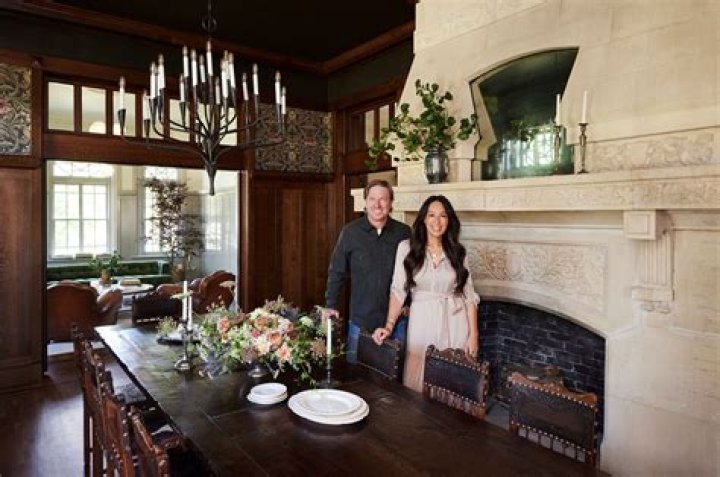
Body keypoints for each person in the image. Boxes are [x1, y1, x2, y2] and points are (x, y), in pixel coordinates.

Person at [372, 195, 479, 392]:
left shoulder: (458, 252)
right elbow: (398, 290)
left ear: (449, 220)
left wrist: (474, 335)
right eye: (431, 215)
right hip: (422, 322)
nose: (437, 221)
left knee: (453, 383)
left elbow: (469, 296)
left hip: (456, 322)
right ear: (423, 219)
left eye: (443, 216)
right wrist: (389, 326)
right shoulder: (406, 248)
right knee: (418, 378)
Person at [324, 179, 411, 363]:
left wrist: (409, 303)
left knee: (394, 375)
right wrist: (331, 304)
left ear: (391, 202)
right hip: (361, 320)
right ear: (365, 202)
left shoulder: (404, 233)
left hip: (396, 321)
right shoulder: (350, 232)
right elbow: (337, 271)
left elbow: (414, 271)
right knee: (356, 373)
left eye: (383, 199)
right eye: (372, 199)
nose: (377, 204)